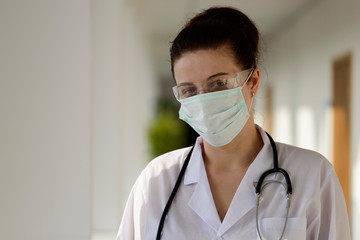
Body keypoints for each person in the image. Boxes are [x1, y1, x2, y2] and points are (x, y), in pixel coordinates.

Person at [116, 6, 351, 240]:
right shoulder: (157, 181)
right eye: (189, 90)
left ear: (253, 82)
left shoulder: (313, 175)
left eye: (218, 84)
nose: (203, 100)